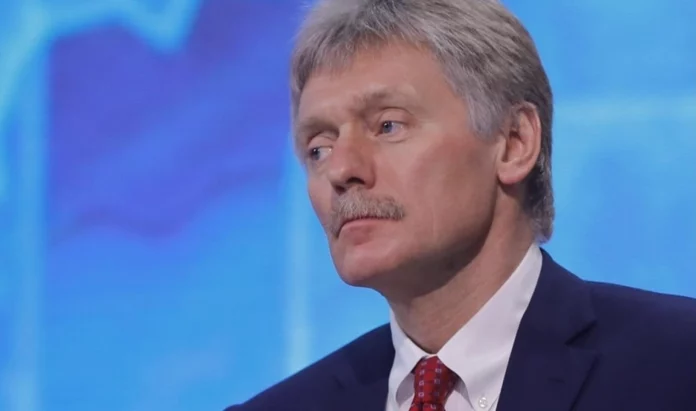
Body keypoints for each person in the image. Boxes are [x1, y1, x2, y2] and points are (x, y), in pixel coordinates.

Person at [225, 0, 696, 410]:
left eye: (388, 126)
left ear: (513, 143)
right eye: (318, 149)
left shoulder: (677, 364)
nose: (341, 169)